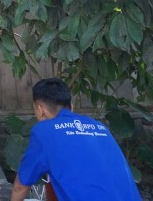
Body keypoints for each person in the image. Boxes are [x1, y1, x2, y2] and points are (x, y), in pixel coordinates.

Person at [10, 78, 141, 201]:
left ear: (40, 109)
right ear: (71, 106)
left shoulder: (43, 131)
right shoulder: (99, 127)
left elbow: (20, 187)